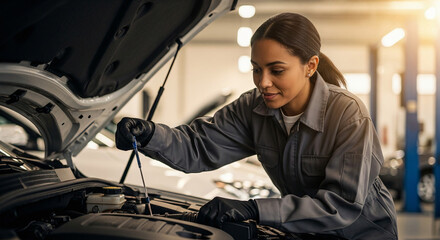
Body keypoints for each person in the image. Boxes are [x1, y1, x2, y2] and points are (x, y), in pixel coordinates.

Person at [115, 12, 398, 240]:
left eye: (277, 70)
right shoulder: (253, 109)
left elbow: (339, 206)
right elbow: (198, 147)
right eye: (256, 69)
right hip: (302, 230)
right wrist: (151, 135)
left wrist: (253, 208)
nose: (263, 82)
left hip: (361, 233)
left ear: (310, 66)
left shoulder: (348, 114)